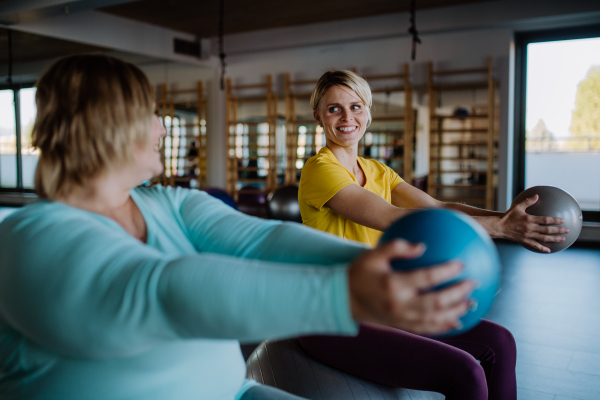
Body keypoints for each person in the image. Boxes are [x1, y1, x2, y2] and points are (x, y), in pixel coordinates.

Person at [0, 56, 475, 400]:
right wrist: (346, 295)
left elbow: (262, 237)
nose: (163, 129)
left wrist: (384, 268)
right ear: (107, 125)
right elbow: (164, 292)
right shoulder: (30, 240)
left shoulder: (166, 202)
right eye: (150, 114)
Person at [297, 70, 568, 400]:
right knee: (465, 372)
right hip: (335, 316)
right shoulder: (320, 169)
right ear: (318, 117)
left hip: (382, 303)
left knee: (500, 344)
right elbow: (393, 218)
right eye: (334, 109)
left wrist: (509, 220)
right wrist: (501, 228)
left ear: (368, 111)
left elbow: (437, 207)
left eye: (355, 106)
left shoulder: (377, 170)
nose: (347, 117)